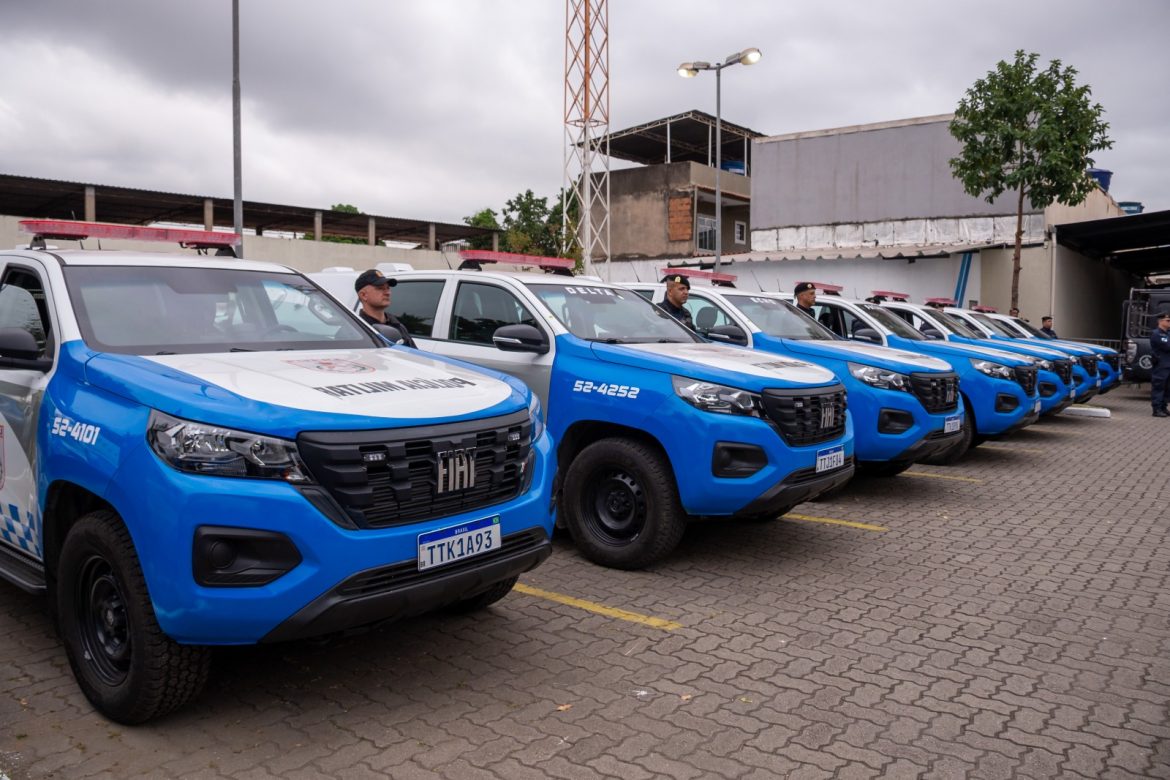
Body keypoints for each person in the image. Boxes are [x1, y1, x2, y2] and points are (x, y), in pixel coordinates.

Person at [354, 269, 416, 347]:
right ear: (363, 295)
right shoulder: (356, 330)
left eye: (388, 288)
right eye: (380, 288)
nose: (387, 293)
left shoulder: (398, 326)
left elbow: (413, 355)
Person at [1150, 311, 1170, 417]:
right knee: (1159, 387)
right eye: (1168, 320)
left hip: (1168, 365)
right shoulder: (1157, 334)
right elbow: (1167, 346)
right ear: (1160, 321)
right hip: (1161, 365)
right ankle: (1156, 409)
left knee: (1167, 387)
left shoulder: (1168, 333)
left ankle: (1163, 407)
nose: (1169, 322)